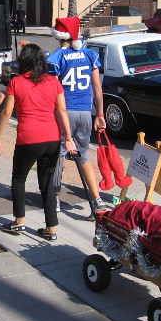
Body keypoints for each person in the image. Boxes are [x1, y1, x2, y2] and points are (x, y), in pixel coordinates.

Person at [0, 43, 76, 241]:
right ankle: (50, 228)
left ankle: (19, 222)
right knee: (47, 183)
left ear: (24, 61)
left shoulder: (16, 82)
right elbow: (62, 111)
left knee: (19, 178)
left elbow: (6, 112)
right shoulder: (54, 82)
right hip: (52, 138)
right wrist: (69, 138)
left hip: (28, 138)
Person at [46, 17, 108, 215]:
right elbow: (97, 87)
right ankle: (97, 200)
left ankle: (54, 200)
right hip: (85, 111)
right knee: (83, 156)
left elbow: (52, 91)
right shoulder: (90, 54)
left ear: (58, 37)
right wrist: (99, 113)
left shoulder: (55, 58)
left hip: (65, 111)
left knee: (59, 156)